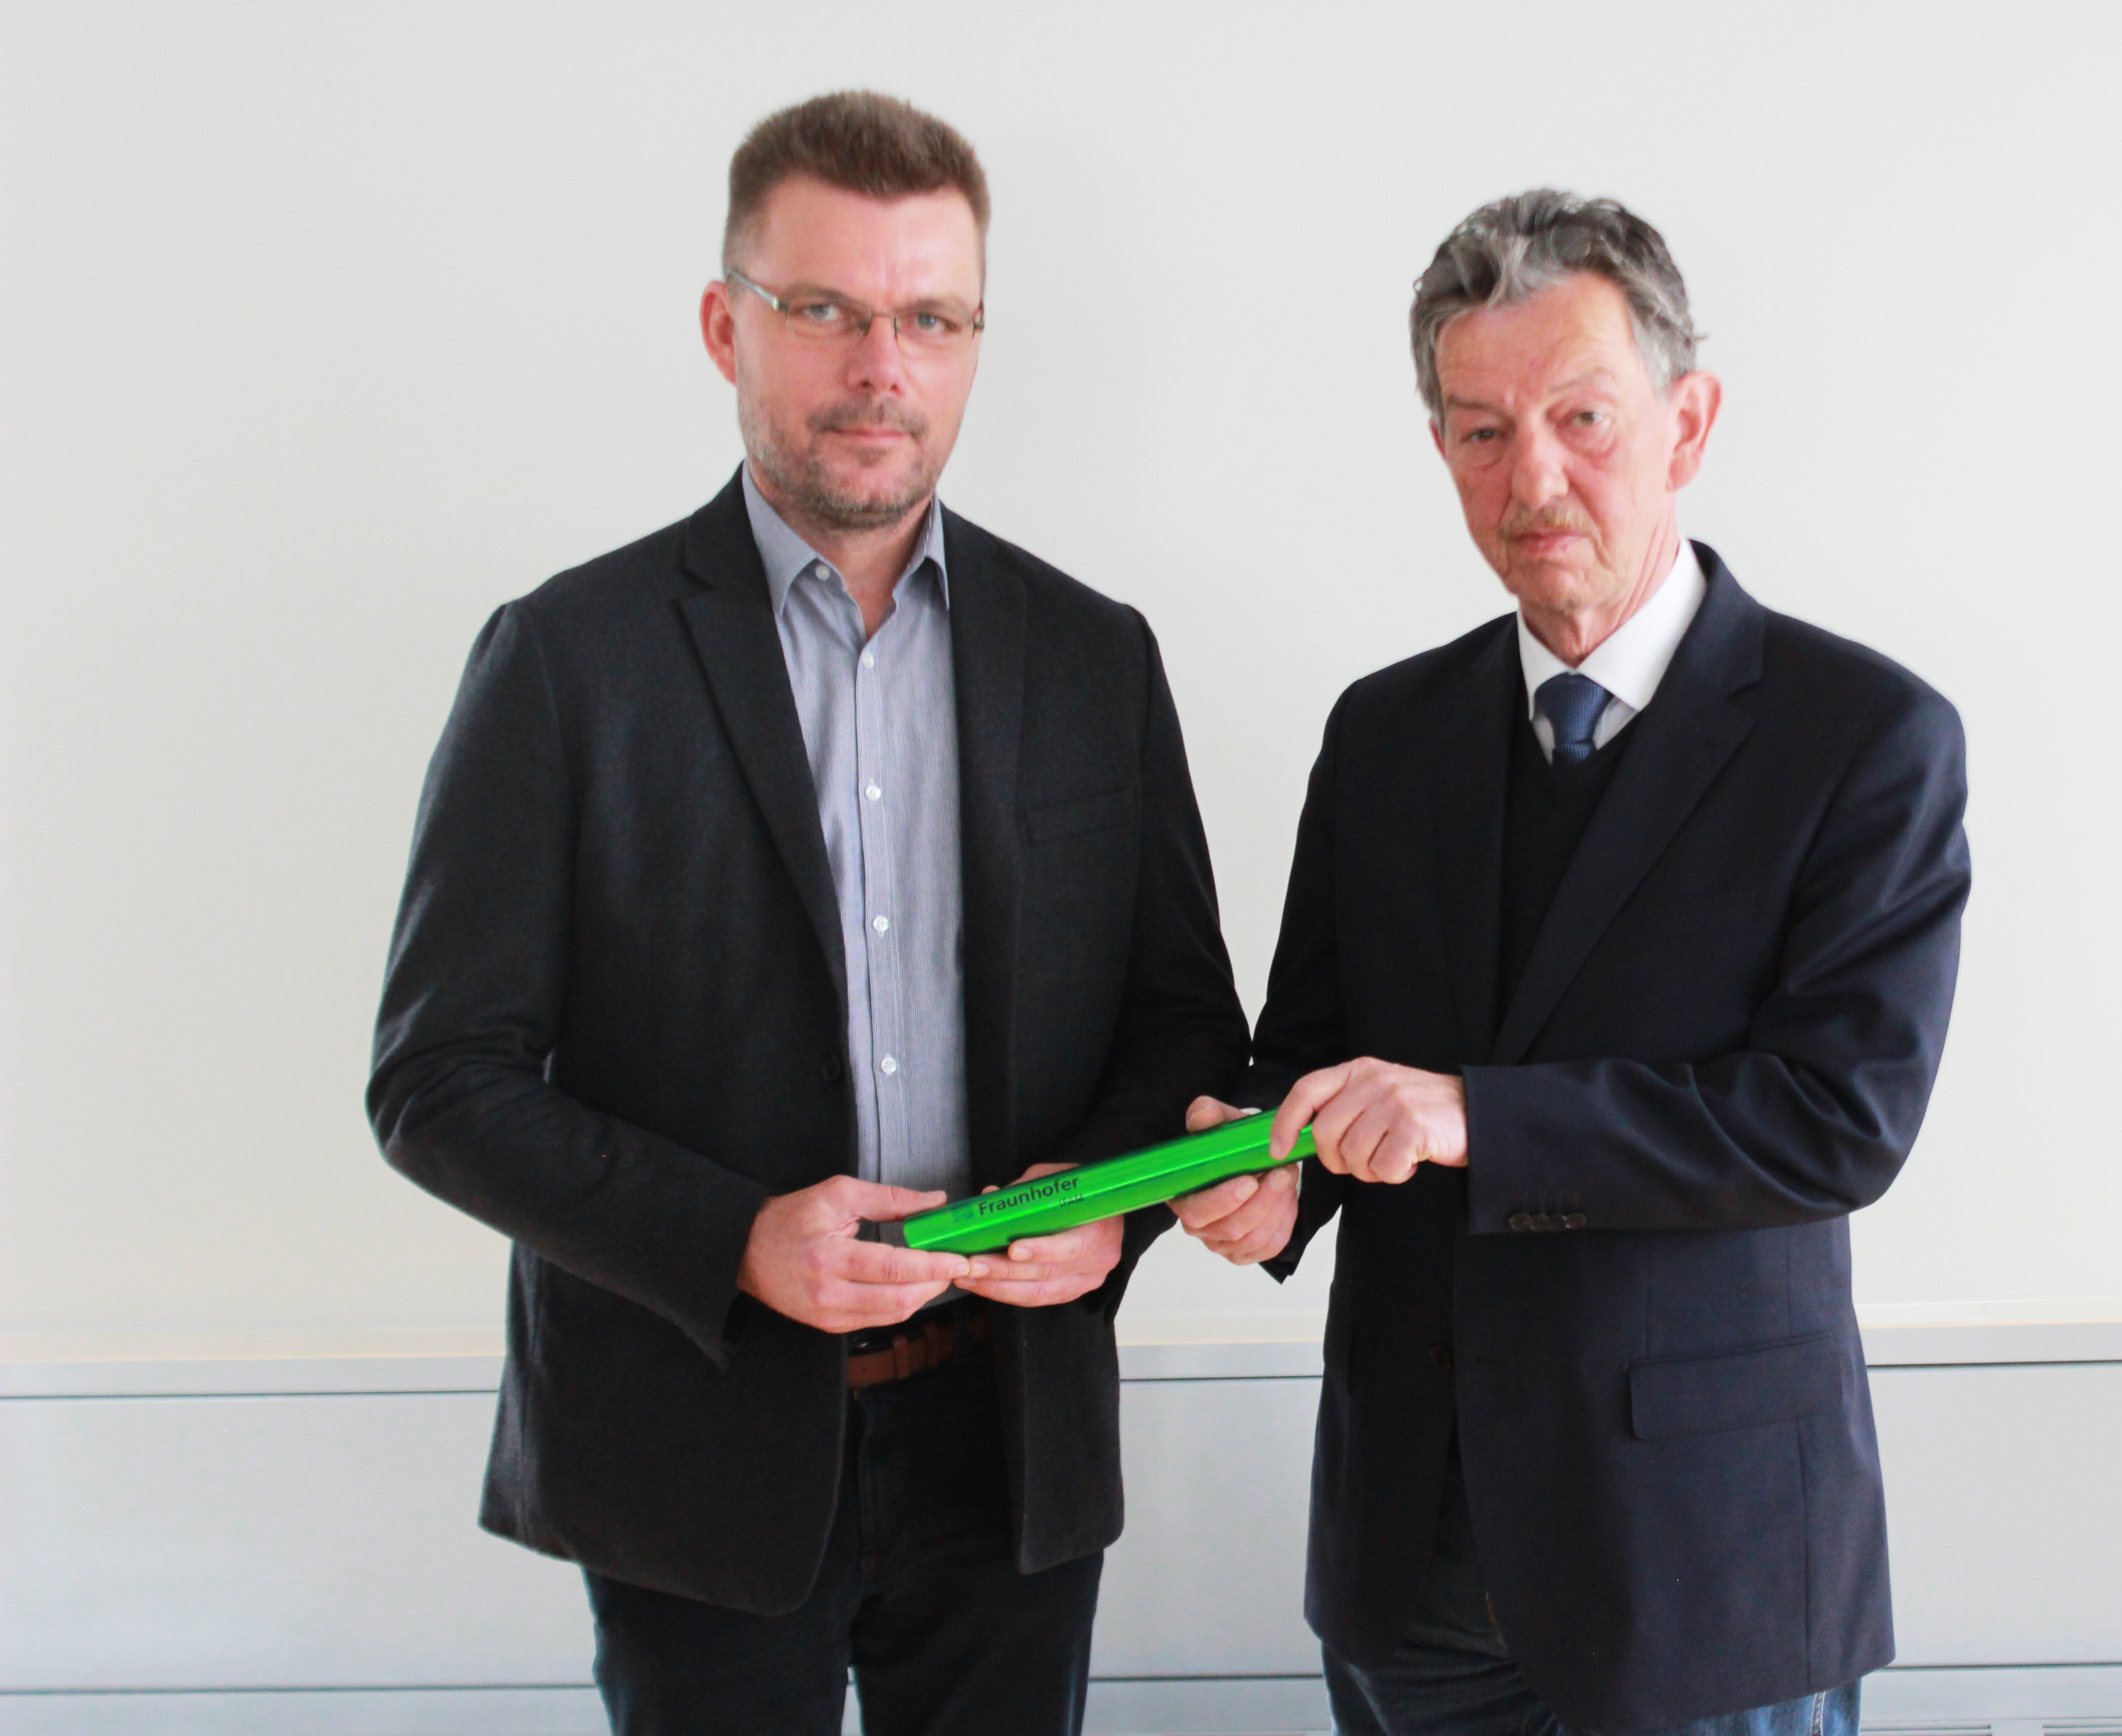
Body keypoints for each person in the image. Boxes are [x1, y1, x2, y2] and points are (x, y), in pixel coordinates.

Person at [368, 91, 1246, 1736]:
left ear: (975, 341)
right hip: (692, 1459)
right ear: (726, 325)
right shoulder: (566, 660)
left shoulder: (1092, 657)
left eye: (928, 318)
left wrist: (1109, 1205)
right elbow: (438, 1083)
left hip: (1014, 1454)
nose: (879, 367)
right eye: (824, 311)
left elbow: (1185, 1028)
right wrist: (733, 1242)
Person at [1174, 191, 1970, 1736]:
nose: (1531, 478)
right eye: (1478, 431)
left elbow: (1835, 1119)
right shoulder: (1383, 733)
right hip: (1410, 1560)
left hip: (1701, 1568)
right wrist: (1272, 1171)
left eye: (1580, 418)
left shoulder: (1863, 737)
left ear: (1689, 420)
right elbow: (1317, 1054)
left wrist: (1479, 1112)